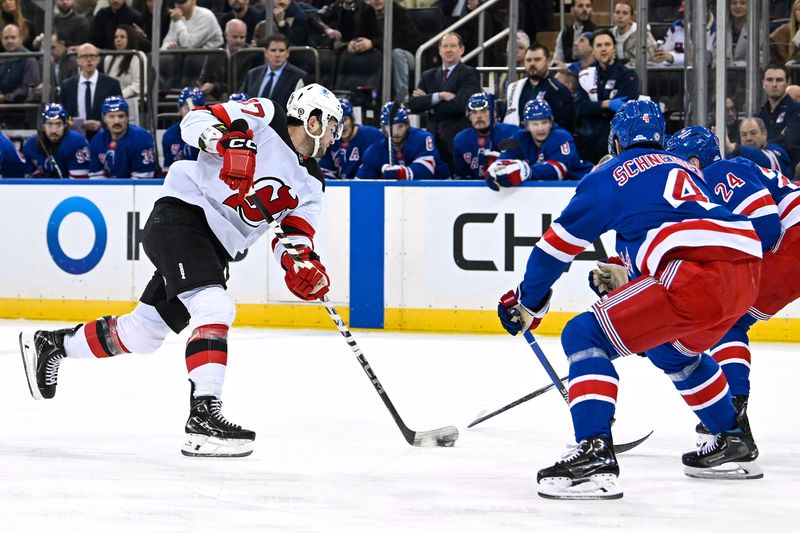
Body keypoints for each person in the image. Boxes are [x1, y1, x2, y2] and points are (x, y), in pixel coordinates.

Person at [19, 84, 344, 458]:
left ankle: (52, 344)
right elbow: (196, 119)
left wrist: (300, 266)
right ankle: (203, 418)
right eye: (332, 124)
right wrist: (222, 142)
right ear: (312, 119)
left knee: (143, 333)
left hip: (216, 248)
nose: (335, 134)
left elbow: (294, 237)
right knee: (215, 307)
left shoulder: (313, 184)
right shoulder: (265, 115)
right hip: (183, 213)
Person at [496, 99, 763, 500]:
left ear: (616, 142)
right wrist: (631, 274)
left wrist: (528, 302)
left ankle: (594, 453)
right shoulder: (684, 168)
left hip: (693, 273)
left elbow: (555, 248)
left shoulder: (611, 175)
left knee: (583, 335)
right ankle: (732, 440)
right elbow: (673, 223)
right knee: (671, 351)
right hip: (744, 273)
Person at [665, 125, 800, 460]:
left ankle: (732, 421)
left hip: (793, 241)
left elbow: (767, 230)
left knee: (729, 319)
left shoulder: (719, 172)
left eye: (678, 163)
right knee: (731, 319)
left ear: (695, 161)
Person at [408, 32, 481, 167]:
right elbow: (414, 105)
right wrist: (439, 96)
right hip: (431, 140)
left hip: (457, 139)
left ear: (461, 50)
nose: (448, 49)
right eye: (445, 46)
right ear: (440, 51)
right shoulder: (427, 75)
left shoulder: (469, 74)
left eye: (453, 46)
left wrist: (429, 103)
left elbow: (462, 104)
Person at [487, 99, 592, 189]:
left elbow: (558, 170)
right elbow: (505, 160)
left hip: (583, 184)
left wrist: (527, 171)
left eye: (544, 122)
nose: (540, 128)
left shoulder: (561, 137)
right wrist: (495, 169)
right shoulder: (519, 138)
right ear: (527, 125)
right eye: (535, 124)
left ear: (551, 123)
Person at [575, 29, 640, 163]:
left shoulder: (628, 75)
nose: (603, 49)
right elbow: (579, 108)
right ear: (592, 50)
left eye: (607, 44)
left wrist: (594, 108)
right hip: (589, 143)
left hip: (617, 141)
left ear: (614, 48)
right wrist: (606, 104)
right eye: (599, 45)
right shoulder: (585, 75)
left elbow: (625, 108)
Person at [356, 101, 450, 180]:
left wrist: (400, 173)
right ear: (383, 128)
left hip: (439, 192)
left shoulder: (422, 138)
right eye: (390, 127)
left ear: (407, 125)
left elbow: (426, 169)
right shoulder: (375, 151)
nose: (396, 132)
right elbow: (360, 184)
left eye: (400, 126)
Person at [503, 44, 575, 133]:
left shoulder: (558, 91)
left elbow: (564, 127)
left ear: (548, 61)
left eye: (537, 59)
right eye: (528, 60)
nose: (532, 63)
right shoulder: (515, 88)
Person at [59, 43, 123, 140]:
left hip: (105, 137)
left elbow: (119, 113)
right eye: (84, 56)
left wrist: (101, 124)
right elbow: (65, 113)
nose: (89, 60)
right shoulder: (67, 85)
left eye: (92, 56)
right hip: (75, 137)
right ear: (78, 61)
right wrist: (70, 122)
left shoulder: (112, 84)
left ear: (98, 60)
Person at [452, 92, 521, 180]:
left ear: (494, 113)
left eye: (484, 111)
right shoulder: (461, 140)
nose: (479, 116)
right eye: (474, 112)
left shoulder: (513, 133)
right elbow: (461, 176)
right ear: (468, 116)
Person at [160, 0, 224, 89]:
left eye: (183, 3)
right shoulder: (177, 17)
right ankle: (161, 94)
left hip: (208, 56)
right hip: (184, 56)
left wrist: (178, 22)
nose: (179, 6)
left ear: (193, 2)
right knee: (161, 58)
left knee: (191, 60)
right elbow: (167, 41)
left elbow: (189, 44)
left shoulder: (206, 16)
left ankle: (190, 96)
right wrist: (169, 46)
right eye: (177, 3)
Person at [88, 95, 155, 178]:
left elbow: (142, 180)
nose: (117, 121)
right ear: (104, 119)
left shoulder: (141, 138)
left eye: (121, 116)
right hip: (110, 188)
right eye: (111, 116)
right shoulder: (97, 140)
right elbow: (96, 177)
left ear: (127, 118)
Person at [319, 96, 383, 179]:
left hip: (366, 188)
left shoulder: (372, 135)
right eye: (337, 122)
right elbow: (326, 171)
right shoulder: (330, 140)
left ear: (352, 119)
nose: (342, 126)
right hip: (342, 190)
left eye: (345, 120)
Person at [240, 33, 307, 110]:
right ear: (265, 52)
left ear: (287, 53)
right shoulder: (253, 74)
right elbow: (242, 100)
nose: (277, 54)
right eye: (273, 50)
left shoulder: (298, 76)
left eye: (281, 50)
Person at [23, 103, 91, 178]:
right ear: (43, 126)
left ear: (65, 125)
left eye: (58, 124)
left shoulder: (76, 142)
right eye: (49, 124)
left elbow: (79, 184)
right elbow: (27, 181)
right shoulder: (30, 145)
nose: (54, 130)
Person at [368, 0, 419, 100]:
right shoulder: (366, 13)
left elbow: (406, 41)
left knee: (396, 54)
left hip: (408, 55)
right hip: (382, 56)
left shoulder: (400, 13)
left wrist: (373, 43)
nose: (376, 0)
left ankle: (402, 100)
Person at [756, 64, 800, 168]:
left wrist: (763, 145)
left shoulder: (797, 111)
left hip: (791, 176)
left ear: (787, 83)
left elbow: (790, 140)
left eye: (779, 80)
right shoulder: (759, 116)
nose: (774, 84)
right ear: (763, 83)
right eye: (769, 80)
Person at [197, 18, 250, 101]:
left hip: (241, 99)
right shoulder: (215, 53)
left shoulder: (252, 54)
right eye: (235, 37)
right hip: (214, 98)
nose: (238, 41)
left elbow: (242, 84)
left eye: (242, 37)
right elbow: (203, 79)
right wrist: (204, 87)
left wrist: (214, 86)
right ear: (226, 35)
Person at [724, 117, 793, 178]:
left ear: (764, 134)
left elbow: (764, 159)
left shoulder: (776, 151)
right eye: (744, 135)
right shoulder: (735, 156)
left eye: (753, 133)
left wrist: (732, 148)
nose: (748, 138)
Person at [104, 24, 145, 125]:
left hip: (132, 100)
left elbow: (139, 85)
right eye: (116, 37)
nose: (118, 40)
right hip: (112, 101)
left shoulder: (138, 56)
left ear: (130, 39)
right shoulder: (108, 58)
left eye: (122, 37)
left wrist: (120, 95)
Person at [162, 86, 203, 172]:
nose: (191, 112)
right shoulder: (169, 135)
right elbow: (168, 170)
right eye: (187, 108)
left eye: (195, 108)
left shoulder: (212, 133)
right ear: (179, 110)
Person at [0, 23, 40, 104]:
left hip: (23, 110)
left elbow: (27, 90)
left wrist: (5, 98)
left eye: (13, 37)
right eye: (6, 38)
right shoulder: (1, 59)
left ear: (21, 38)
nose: (9, 41)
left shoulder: (29, 59)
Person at [610, 0, 655, 69]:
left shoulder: (643, 34)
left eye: (624, 13)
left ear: (631, 17)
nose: (620, 16)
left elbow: (647, 60)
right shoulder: (610, 34)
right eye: (617, 12)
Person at [552, 0, 596, 66]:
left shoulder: (597, 32)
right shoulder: (564, 33)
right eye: (580, 6)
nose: (585, 9)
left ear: (591, 10)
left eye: (588, 6)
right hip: (567, 72)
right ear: (572, 10)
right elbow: (558, 59)